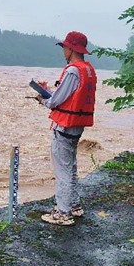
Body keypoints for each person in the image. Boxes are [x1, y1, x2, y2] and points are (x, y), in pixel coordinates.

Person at [34, 31, 97, 226]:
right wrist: (50, 94)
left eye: (65, 47)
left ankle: (63, 213)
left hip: (64, 128)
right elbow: (67, 97)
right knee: (70, 166)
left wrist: (43, 98)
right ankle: (74, 205)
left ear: (71, 49)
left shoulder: (72, 71)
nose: (63, 51)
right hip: (77, 127)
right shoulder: (87, 69)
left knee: (63, 170)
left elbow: (56, 101)